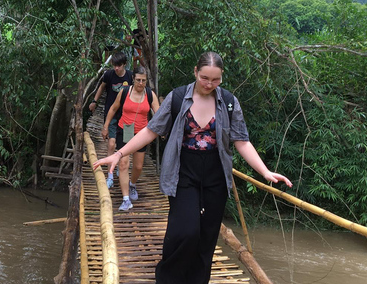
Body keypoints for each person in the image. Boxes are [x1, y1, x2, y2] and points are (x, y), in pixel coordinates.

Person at [93, 51, 291, 284]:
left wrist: (265, 172)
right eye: (204, 78)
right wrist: (119, 153)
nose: (209, 84)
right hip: (183, 170)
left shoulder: (228, 102)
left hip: (215, 174)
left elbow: (241, 141)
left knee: (206, 238)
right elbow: (151, 130)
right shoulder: (178, 97)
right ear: (195, 72)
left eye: (215, 79)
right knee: (185, 232)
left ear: (221, 77)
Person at [102, 66, 160, 211]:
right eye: (138, 80)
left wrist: (161, 130)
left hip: (142, 133)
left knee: (138, 166)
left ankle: (132, 184)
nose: (141, 83)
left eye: (144, 80)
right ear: (133, 79)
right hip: (126, 130)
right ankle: (126, 199)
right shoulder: (125, 92)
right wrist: (106, 126)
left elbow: (159, 114)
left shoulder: (150, 94)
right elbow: (113, 109)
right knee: (123, 163)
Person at [89, 51, 133, 188]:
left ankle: (121, 168)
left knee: (126, 146)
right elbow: (102, 87)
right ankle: (110, 175)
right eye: (114, 65)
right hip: (111, 113)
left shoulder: (131, 76)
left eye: (119, 66)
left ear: (124, 64)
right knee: (111, 144)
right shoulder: (109, 75)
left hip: (128, 115)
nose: (116, 68)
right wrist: (94, 101)